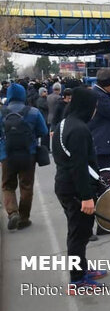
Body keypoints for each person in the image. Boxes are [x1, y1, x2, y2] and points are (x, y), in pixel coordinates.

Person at [52, 87, 107, 290]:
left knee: (79, 232)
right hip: (75, 190)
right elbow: (79, 166)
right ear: (87, 106)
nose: (95, 111)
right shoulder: (79, 130)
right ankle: (77, 280)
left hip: (65, 186)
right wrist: (86, 197)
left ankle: (82, 268)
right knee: (78, 234)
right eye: (94, 107)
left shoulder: (65, 123)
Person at [1, 83, 48, 230]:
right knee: (26, 186)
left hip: (6, 155)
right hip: (29, 154)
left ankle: (12, 212)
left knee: (8, 185)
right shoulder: (33, 112)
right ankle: (23, 218)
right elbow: (44, 131)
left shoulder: (1, 112)